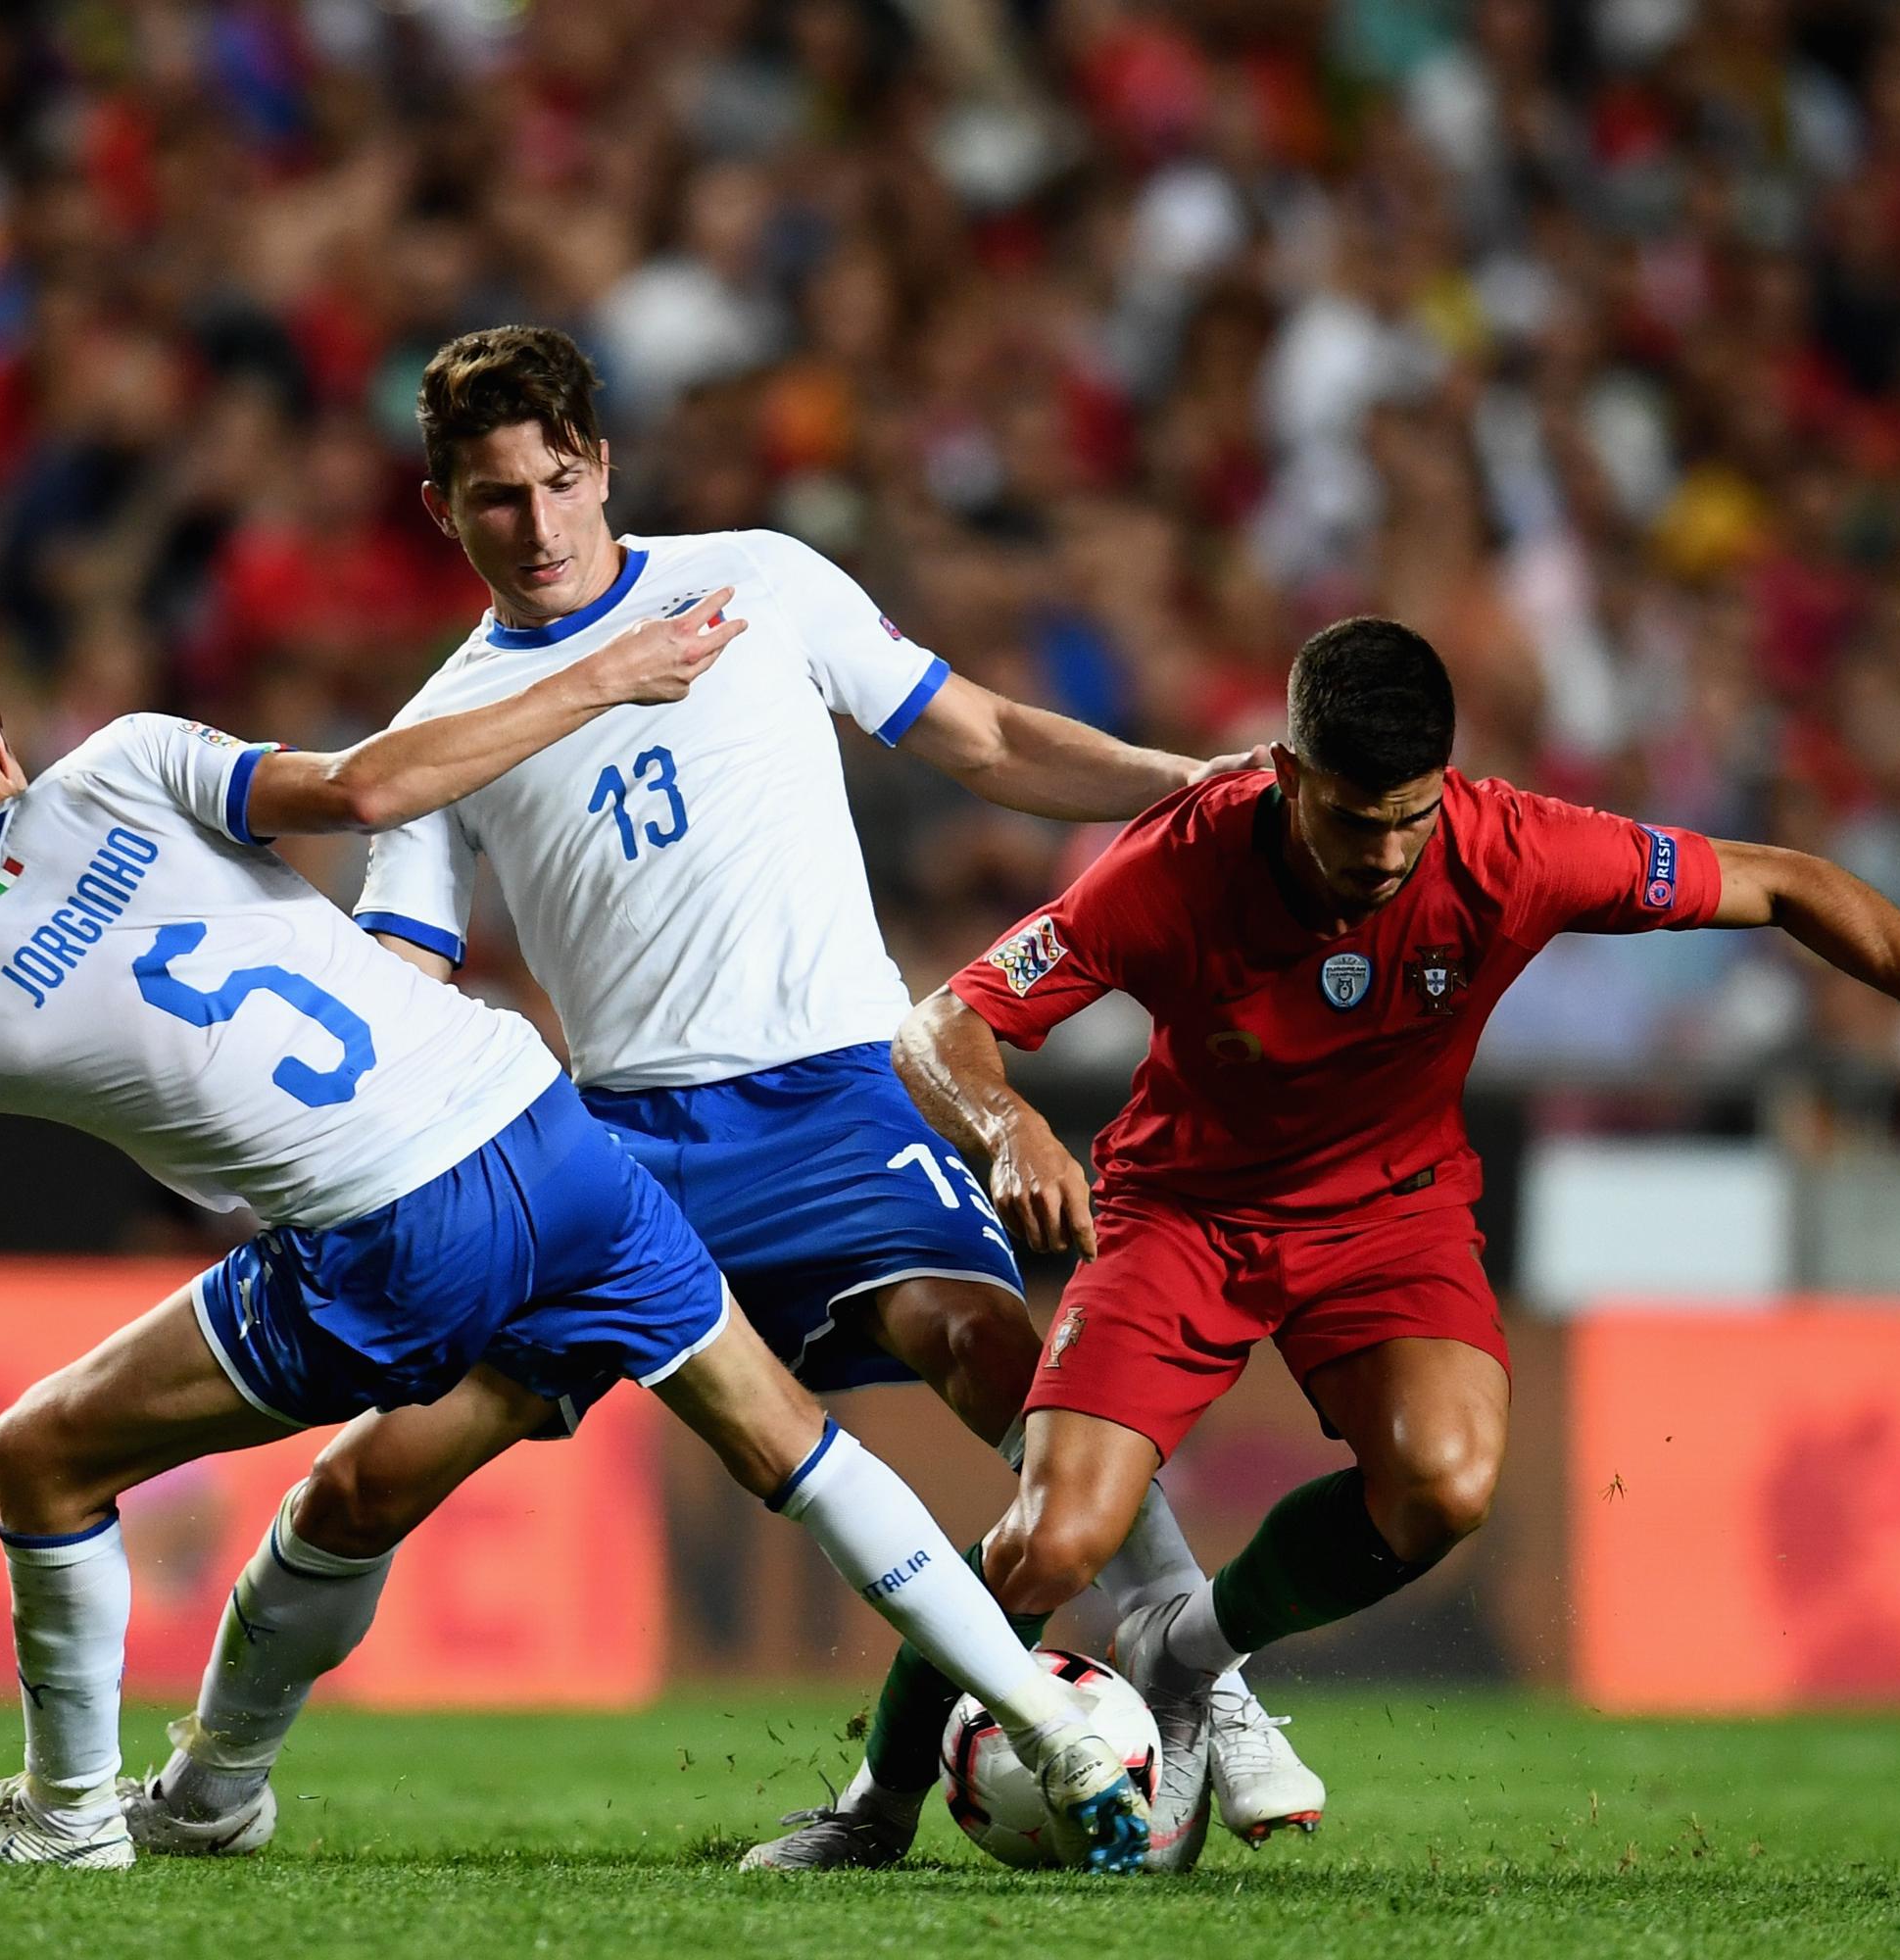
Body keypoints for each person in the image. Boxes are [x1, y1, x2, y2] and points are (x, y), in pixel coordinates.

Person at [0, 631, 1153, 1876]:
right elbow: (368, 790)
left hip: (393, 1233)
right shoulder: (126, 759)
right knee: (790, 1445)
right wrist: (597, 681)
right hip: (544, 1123)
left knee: (39, 1455)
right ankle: (1055, 1734)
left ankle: (70, 1813)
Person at [128, 323, 1323, 1870]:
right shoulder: (446, 732)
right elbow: (401, 979)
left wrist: (1194, 787)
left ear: (603, 466)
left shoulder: (762, 578)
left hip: (841, 1093)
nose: (541, 526)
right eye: (498, 499)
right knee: (376, 1474)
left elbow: (985, 735)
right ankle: (217, 1784)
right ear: (442, 510)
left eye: (562, 481)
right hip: (614, 1148)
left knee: (984, 1347)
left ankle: (1195, 1670)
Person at [836, 616, 1900, 1868]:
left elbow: (1793, 880)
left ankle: (1187, 1654)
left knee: (1446, 1483)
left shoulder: (1515, 846)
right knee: (1053, 1542)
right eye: (1353, 818)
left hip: (1391, 1211)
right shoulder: (1179, 856)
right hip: (1183, 1211)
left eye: (1409, 817)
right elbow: (941, 1025)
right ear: (1285, 769)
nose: (1383, 851)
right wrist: (1008, 1131)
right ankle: (876, 1799)